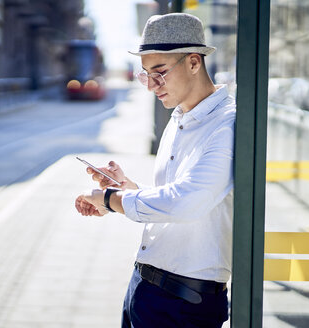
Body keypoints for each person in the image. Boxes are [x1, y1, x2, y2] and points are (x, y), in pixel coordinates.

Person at [74, 13, 235, 328]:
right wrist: (126, 189)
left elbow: (186, 202)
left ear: (193, 62)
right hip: (145, 288)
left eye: (159, 72)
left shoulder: (227, 125)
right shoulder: (179, 117)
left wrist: (111, 200)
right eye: (145, 74)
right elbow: (174, 200)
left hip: (184, 303)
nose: (151, 85)